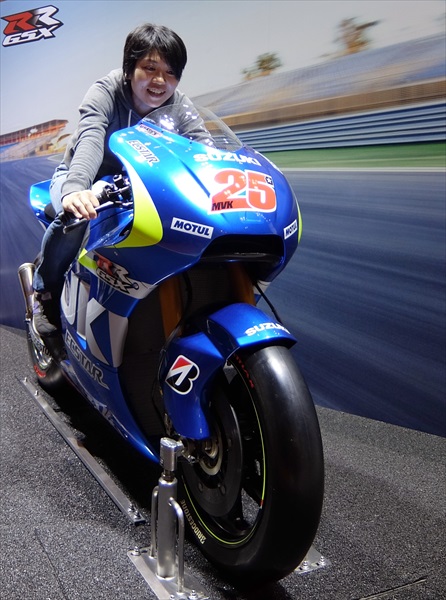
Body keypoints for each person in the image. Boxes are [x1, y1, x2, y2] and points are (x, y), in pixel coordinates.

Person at [32, 23, 211, 354]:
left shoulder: (178, 105)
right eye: (150, 68)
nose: (160, 81)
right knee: (77, 217)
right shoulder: (106, 91)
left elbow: (204, 148)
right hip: (83, 177)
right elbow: (91, 139)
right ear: (130, 69)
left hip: (138, 184)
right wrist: (76, 189)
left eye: (170, 73)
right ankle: (45, 293)